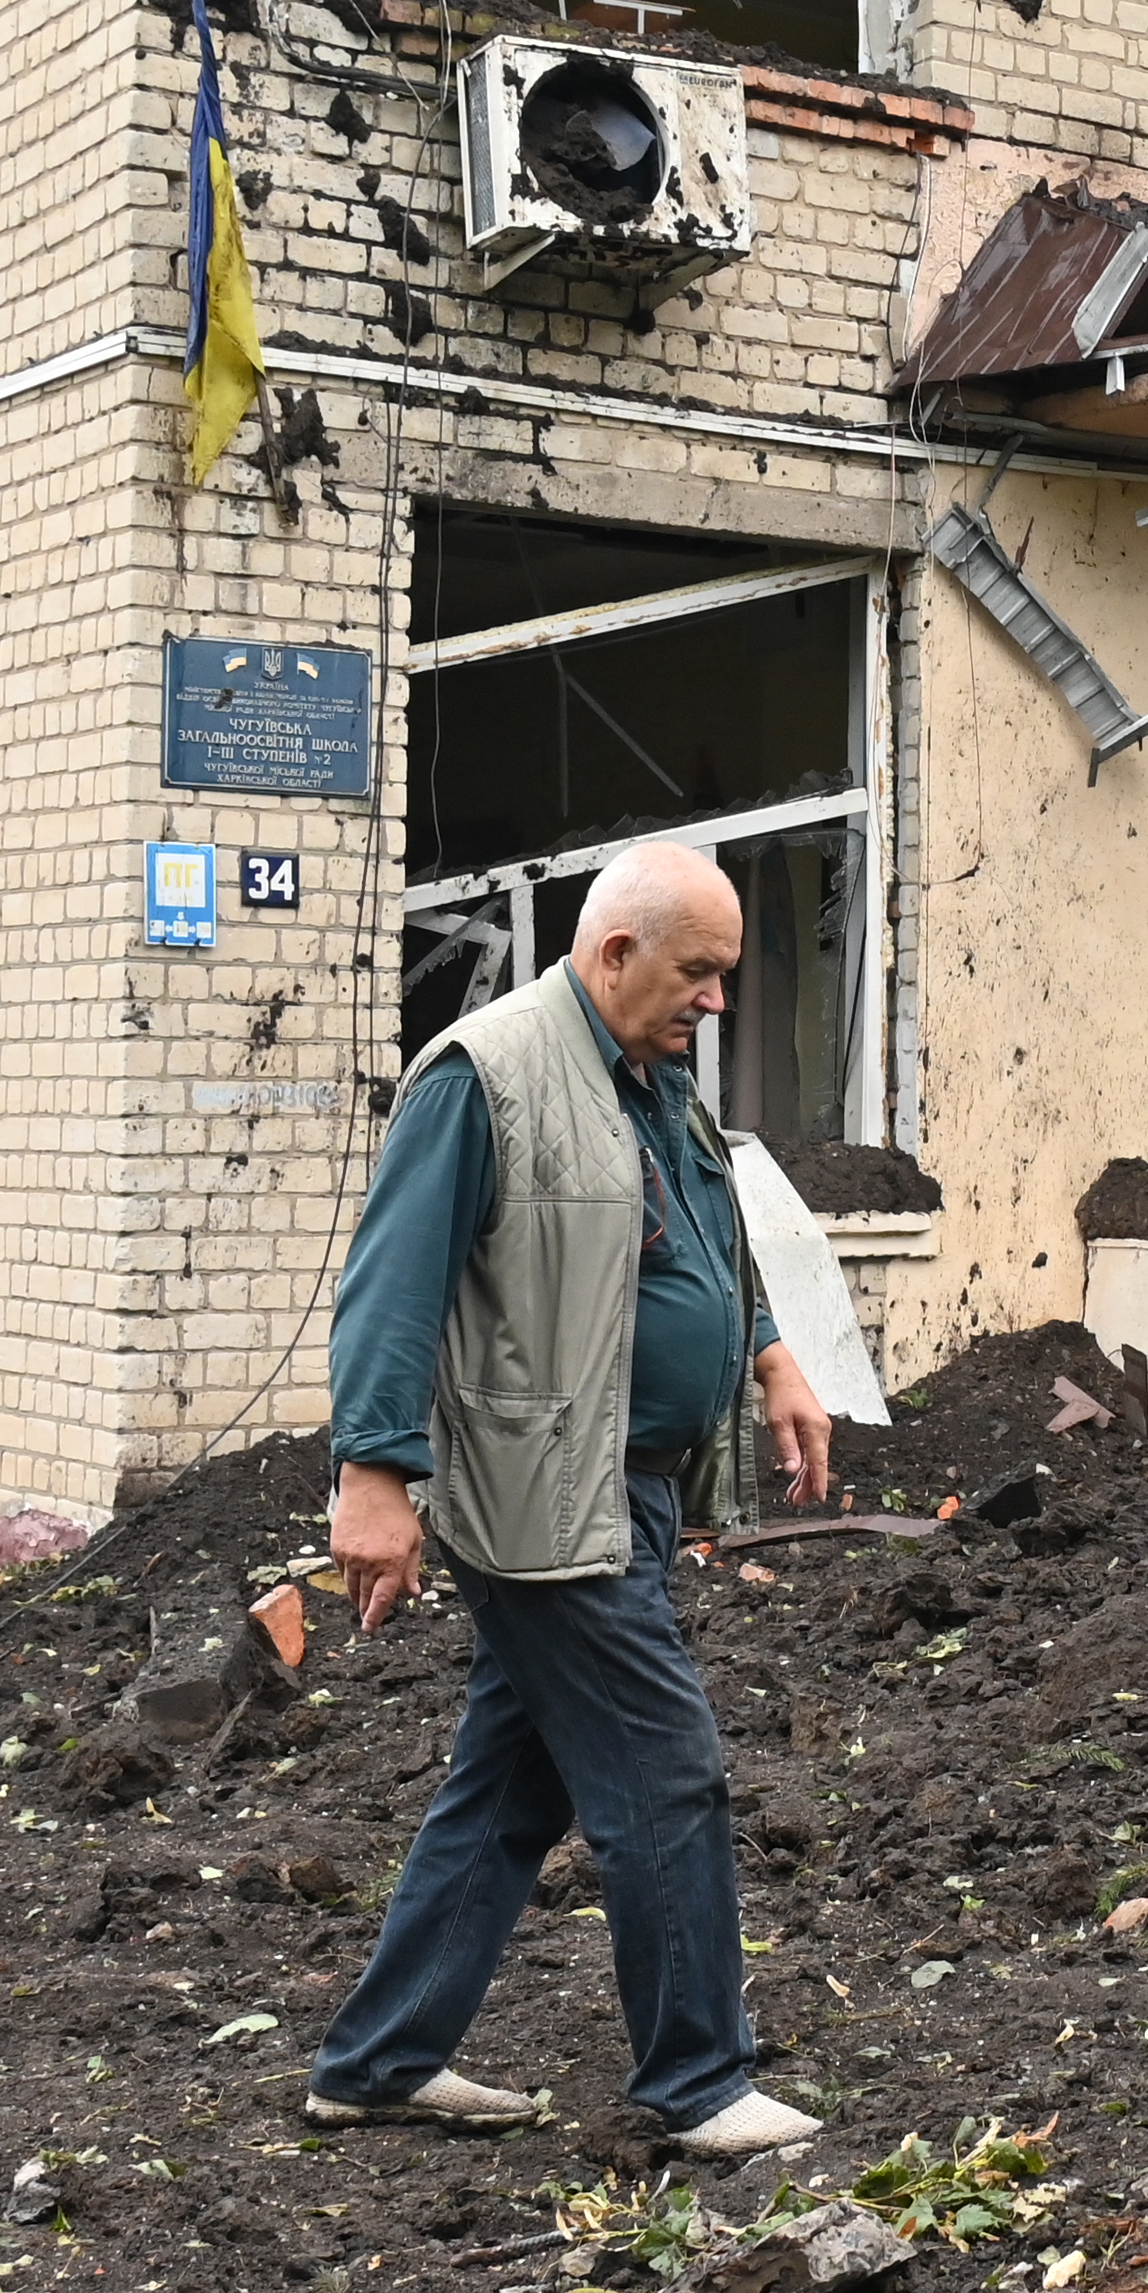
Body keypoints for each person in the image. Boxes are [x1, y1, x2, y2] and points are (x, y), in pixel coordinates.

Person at [301, 838, 838, 2158]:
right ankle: (699, 2081)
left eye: (723, 977)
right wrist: (372, 1473)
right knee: (667, 1772)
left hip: (630, 1493)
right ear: (613, 953)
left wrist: (767, 1353)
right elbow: (391, 1283)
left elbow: (707, 1243)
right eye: (699, 973)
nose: (717, 1001)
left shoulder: (653, 1085)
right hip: (545, 1496)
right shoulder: (484, 1078)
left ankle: (379, 2060)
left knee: (510, 1789)